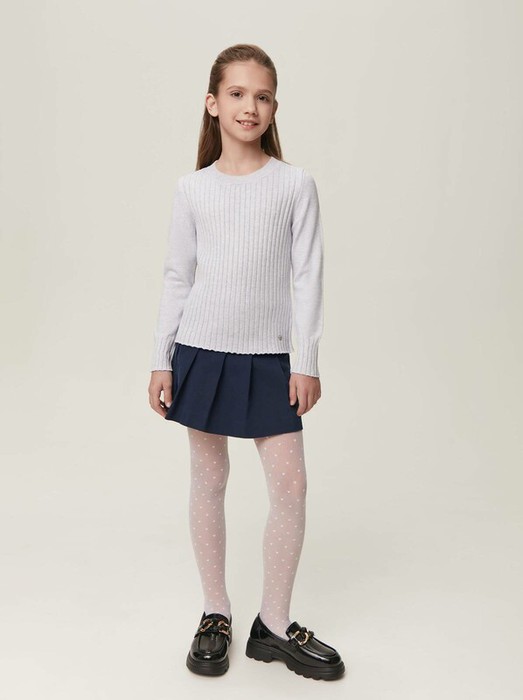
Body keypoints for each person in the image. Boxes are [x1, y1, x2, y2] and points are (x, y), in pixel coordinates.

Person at [148, 43, 345, 681]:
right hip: (202, 352)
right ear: (213, 103)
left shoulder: (294, 185)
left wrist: (306, 360)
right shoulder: (192, 189)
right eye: (236, 94)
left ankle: (275, 624)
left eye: (262, 96)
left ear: (274, 107)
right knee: (209, 481)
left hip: (270, 357)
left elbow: (308, 277)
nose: (249, 106)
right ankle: (216, 613)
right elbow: (178, 276)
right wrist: (161, 359)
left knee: (291, 486)